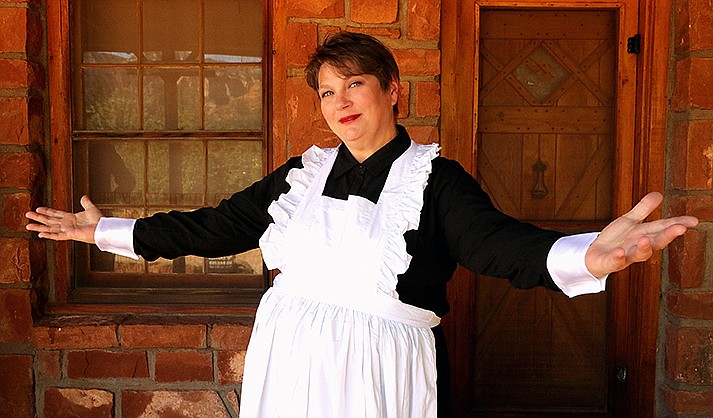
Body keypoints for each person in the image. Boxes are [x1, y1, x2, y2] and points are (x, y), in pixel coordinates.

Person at [26, 32, 698, 418]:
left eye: (353, 85)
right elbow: (214, 228)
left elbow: (496, 245)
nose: (338, 102)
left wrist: (587, 255)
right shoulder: (299, 176)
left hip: (380, 368)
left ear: (391, 89)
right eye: (325, 90)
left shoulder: (434, 181)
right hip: (288, 356)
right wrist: (104, 232)